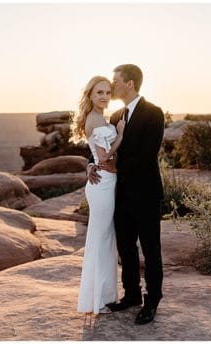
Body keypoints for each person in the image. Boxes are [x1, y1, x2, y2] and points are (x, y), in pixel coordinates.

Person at [88, 64, 165, 325]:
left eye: (116, 81)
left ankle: (152, 300)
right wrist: (92, 164)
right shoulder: (115, 115)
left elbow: (146, 155)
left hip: (146, 192)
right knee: (125, 247)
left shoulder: (153, 113)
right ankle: (131, 295)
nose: (112, 86)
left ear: (129, 84)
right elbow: (105, 150)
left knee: (151, 249)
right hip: (120, 194)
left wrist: (114, 166)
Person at [74, 75, 127, 315]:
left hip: (104, 180)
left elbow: (97, 157)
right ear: (90, 96)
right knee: (101, 239)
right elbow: (104, 158)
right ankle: (97, 301)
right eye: (99, 93)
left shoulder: (99, 117)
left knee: (104, 239)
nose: (104, 96)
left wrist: (92, 164)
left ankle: (101, 297)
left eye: (107, 92)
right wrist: (121, 136)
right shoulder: (95, 120)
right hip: (103, 183)